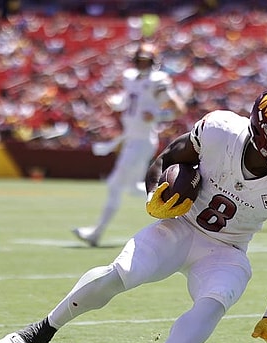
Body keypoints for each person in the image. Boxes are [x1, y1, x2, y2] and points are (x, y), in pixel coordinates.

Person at [0, 86, 267, 343]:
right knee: (120, 273)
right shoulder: (220, 131)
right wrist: (154, 197)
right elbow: (167, 158)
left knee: (215, 302)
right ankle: (39, 331)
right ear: (262, 133)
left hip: (226, 249)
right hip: (177, 227)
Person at [73, 42, 186, 247]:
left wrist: (159, 114)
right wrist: (118, 103)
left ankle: (96, 233)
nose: (142, 65)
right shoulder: (130, 78)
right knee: (134, 189)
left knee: (115, 184)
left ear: (153, 62)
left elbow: (179, 109)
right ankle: (176, 200)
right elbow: (128, 102)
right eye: (140, 61)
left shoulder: (157, 80)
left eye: (146, 61)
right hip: (131, 139)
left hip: (142, 141)